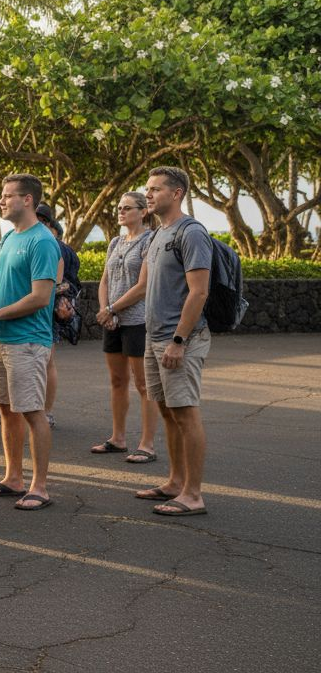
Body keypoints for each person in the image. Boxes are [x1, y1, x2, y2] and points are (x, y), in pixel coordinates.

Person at [0, 174, 60, 512]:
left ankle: (40, 486)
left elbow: (40, 297)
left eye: (8, 196)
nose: (1, 201)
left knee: (34, 414)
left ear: (28, 200)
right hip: (1, 339)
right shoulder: (8, 238)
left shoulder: (43, 241)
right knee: (6, 411)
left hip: (28, 341)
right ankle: (13, 478)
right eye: (1, 195)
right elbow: (3, 281)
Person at [136, 167, 212, 516]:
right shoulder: (157, 233)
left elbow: (198, 292)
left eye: (155, 190)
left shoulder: (191, 232)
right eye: (147, 190)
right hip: (155, 338)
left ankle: (193, 495)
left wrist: (179, 340)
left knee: (185, 411)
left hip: (179, 339)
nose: (148, 195)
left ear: (177, 192)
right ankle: (174, 482)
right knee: (167, 412)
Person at [93, 192, 158, 463]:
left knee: (144, 385)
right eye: (119, 207)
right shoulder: (115, 242)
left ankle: (147, 444)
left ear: (143, 212)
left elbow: (143, 287)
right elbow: (105, 280)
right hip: (113, 321)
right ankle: (117, 438)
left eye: (127, 208)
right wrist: (105, 309)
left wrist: (112, 309)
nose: (121, 212)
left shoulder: (150, 240)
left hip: (137, 321)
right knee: (117, 381)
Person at [36, 204, 80, 429]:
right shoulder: (60, 246)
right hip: (49, 307)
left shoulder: (52, 246)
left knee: (46, 361)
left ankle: (46, 411)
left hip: (47, 309)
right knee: (44, 362)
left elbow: (60, 282)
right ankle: (41, 411)